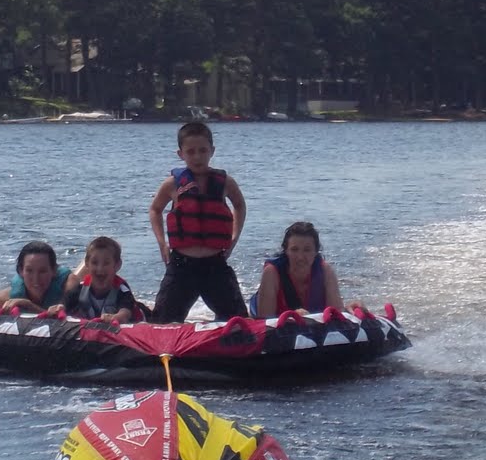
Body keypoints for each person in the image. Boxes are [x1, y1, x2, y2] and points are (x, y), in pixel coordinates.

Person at [147, 121, 247, 322]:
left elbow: (240, 205)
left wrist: (234, 239)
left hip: (215, 265)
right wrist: (162, 244)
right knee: (162, 323)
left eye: (203, 150)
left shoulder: (225, 182)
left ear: (212, 151)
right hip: (181, 266)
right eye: (190, 152)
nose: (197, 157)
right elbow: (155, 209)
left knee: (239, 322)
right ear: (180, 154)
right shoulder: (172, 184)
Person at [251, 221, 360, 318]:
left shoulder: (326, 271)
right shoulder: (272, 272)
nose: (300, 257)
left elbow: (337, 315)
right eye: (294, 250)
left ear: (316, 252)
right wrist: (292, 315)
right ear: (286, 251)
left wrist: (351, 309)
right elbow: (265, 320)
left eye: (307, 250)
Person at [62, 236, 139, 323]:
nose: (100, 269)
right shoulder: (79, 290)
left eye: (106, 263)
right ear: (87, 263)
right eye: (94, 263)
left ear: (117, 265)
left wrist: (116, 317)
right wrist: (58, 308)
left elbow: (125, 313)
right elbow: (63, 306)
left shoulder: (123, 291)